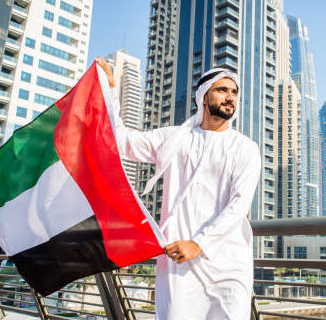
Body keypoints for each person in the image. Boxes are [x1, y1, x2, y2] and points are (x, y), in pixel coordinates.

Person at [96, 58, 261, 320]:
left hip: (229, 265)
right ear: (204, 98)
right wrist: (112, 92)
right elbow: (122, 142)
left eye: (234, 92)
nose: (230, 97)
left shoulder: (246, 149)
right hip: (178, 264)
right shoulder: (176, 139)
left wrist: (199, 243)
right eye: (222, 90)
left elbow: (238, 206)